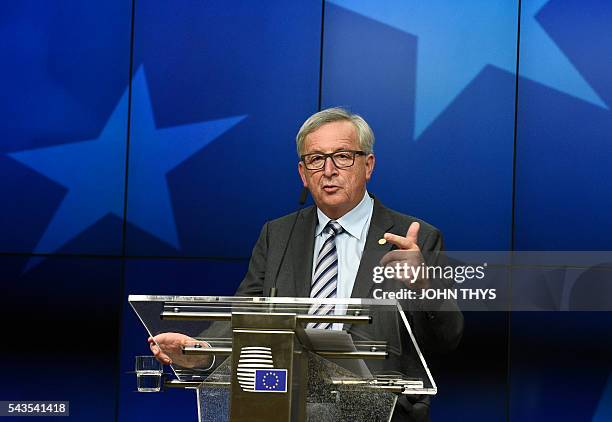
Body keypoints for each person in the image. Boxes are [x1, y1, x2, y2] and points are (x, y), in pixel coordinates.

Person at [150, 107, 463, 421]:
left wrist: (425, 286)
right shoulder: (277, 234)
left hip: (381, 410)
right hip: (285, 403)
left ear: (368, 165)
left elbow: (448, 340)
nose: (328, 170)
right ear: (302, 172)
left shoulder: (416, 237)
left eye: (343, 156)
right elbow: (246, 318)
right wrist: (200, 350)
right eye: (315, 159)